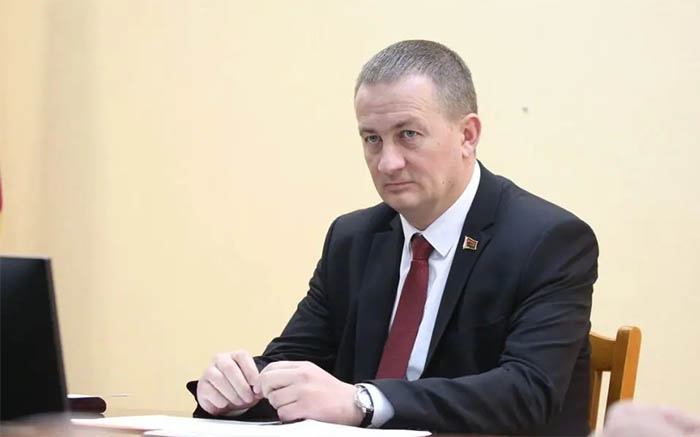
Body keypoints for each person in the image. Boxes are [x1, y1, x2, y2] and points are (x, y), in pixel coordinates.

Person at [188, 40, 599, 436]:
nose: (387, 162)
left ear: (467, 135)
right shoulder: (353, 239)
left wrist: (364, 403)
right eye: (372, 138)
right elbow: (296, 362)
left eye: (408, 135)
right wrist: (238, 390)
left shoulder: (548, 241)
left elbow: (528, 391)